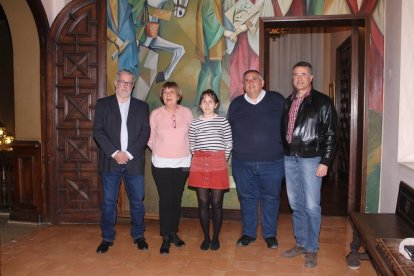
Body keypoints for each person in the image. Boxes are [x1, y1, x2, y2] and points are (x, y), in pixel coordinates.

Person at [281, 61, 337, 268]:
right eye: (295, 74)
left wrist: (325, 160)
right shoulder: (289, 101)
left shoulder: (322, 102)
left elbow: (331, 134)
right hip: (290, 158)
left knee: (312, 205)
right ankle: (301, 243)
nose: (299, 78)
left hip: (312, 159)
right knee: (296, 204)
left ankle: (312, 248)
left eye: (303, 74)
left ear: (311, 78)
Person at [93, 69, 150, 253]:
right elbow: (98, 132)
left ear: (133, 86)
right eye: (122, 82)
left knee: (137, 201)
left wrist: (129, 153)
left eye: (129, 83)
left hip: (134, 161)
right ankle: (107, 237)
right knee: (109, 201)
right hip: (111, 161)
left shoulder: (142, 107)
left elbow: (144, 133)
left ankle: (138, 235)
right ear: (116, 83)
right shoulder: (103, 104)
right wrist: (115, 152)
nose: (125, 85)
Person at [227, 69, 285, 249]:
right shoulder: (236, 104)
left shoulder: (277, 100)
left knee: (271, 198)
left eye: (254, 79)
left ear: (263, 82)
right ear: (243, 85)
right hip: (242, 163)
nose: (250, 82)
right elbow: (228, 131)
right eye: (246, 80)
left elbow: (289, 126)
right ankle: (248, 233)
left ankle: (269, 234)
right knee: (246, 198)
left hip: (273, 162)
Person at [147, 81, 193, 255]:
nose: (168, 95)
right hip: (161, 163)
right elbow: (149, 138)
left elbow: (192, 135)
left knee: (176, 198)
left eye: (171, 92)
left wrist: (186, 153)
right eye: (165, 92)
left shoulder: (187, 113)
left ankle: (174, 233)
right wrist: (161, 150)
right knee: (165, 199)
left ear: (178, 95)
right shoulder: (156, 114)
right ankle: (165, 236)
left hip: (183, 163)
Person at [188, 89, 233, 251]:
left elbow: (229, 143)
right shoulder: (194, 123)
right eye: (204, 101)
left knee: (216, 202)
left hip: (218, 162)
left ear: (216, 104)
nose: (207, 104)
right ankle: (206, 237)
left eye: (210, 101)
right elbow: (192, 144)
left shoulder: (223, 122)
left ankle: (215, 238)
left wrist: (222, 158)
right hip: (199, 162)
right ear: (200, 104)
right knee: (203, 202)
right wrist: (199, 157)